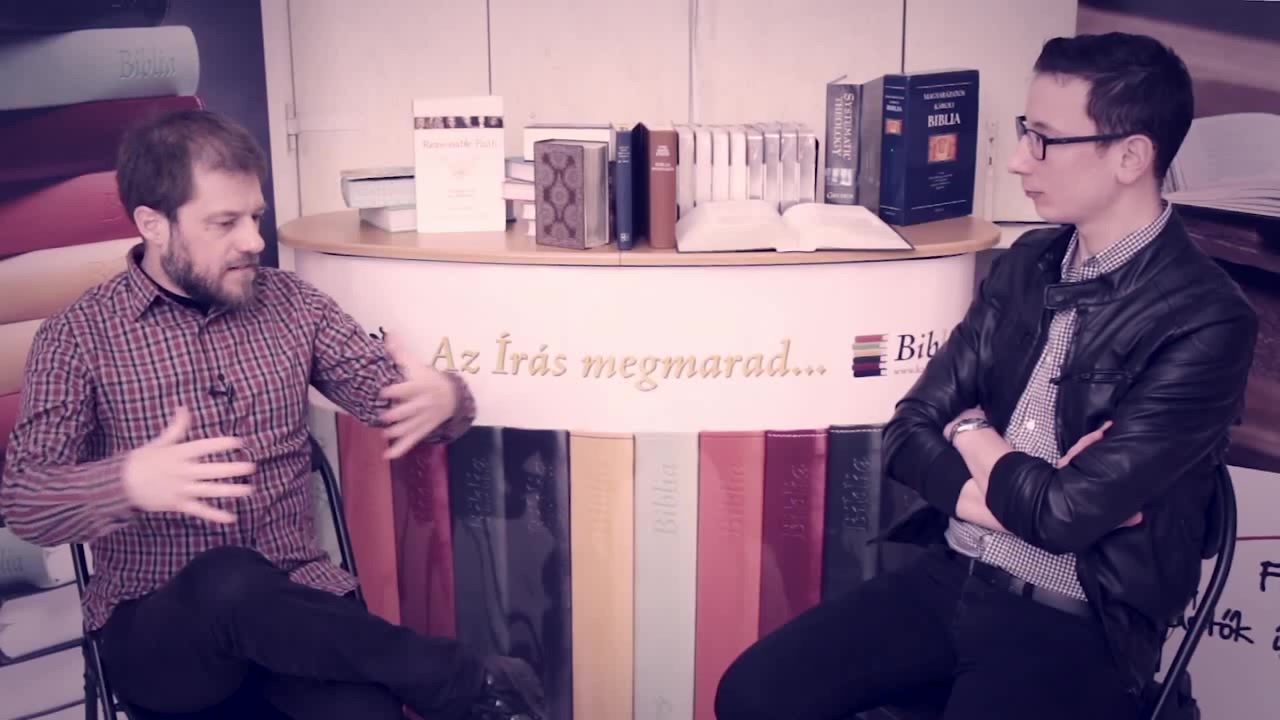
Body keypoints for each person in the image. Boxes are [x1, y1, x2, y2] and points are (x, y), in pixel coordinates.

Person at [714, 32, 1257, 720]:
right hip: (953, 570)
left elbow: (1062, 518)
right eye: (1027, 132)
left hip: (1072, 620)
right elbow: (909, 431)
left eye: (1045, 140)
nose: (1020, 159)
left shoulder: (1207, 319)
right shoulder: (1029, 262)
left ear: (1130, 156)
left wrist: (968, 433)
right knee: (753, 695)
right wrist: (1000, 469)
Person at [0, 109, 545, 720]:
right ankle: (463, 678)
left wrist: (445, 398)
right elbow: (24, 502)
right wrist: (126, 482)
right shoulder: (77, 337)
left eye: (254, 217)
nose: (255, 241)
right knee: (228, 579)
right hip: (162, 636)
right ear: (153, 224)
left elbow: (397, 400)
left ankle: (461, 686)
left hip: (300, 608)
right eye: (225, 222)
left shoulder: (294, 305)